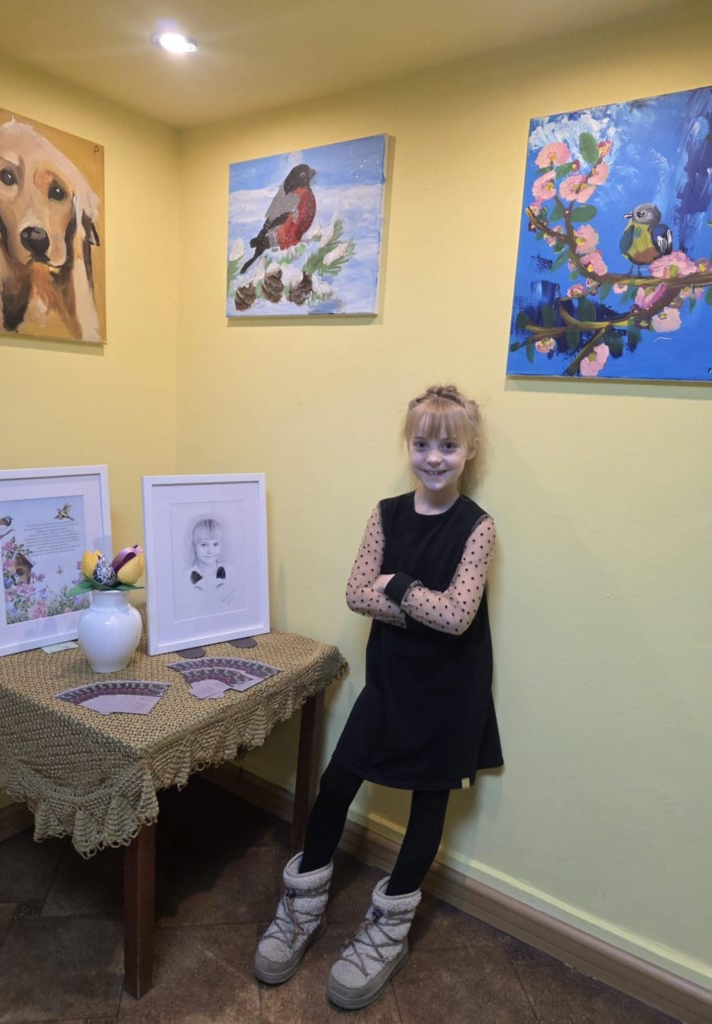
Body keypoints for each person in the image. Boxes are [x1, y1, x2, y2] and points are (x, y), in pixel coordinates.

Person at [254, 384, 502, 1010]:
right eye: (422, 444)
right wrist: (419, 604)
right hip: (390, 684)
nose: (434, 457)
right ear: (408, 446)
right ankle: (302, 908)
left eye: (449, 446)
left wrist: (398, 585)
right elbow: (354, 592)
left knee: (427, 805)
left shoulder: (478, 526)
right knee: (336, 783)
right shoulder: (385, 514)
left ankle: (386, 934)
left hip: (449, 693)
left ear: (470, 450)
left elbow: (458, 618)